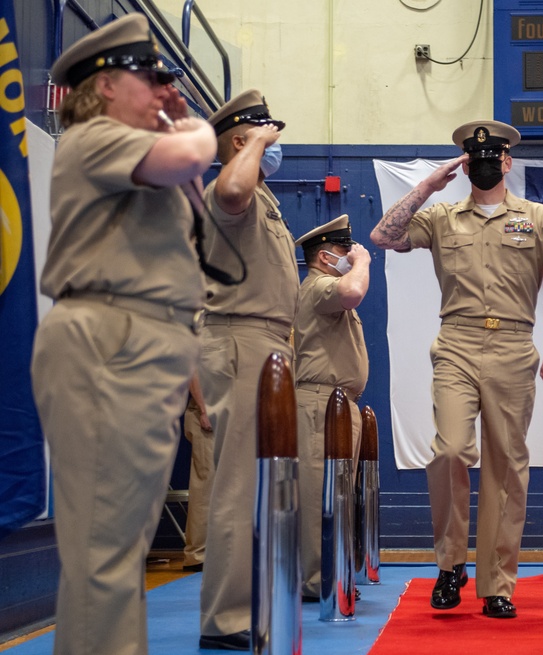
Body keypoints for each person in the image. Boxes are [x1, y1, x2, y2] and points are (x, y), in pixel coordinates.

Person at [30, 14, 216, 655]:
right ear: (104, 86)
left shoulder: (132, 151)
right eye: (151, 75)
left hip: (144, 346)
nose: (165, 87)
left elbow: (191, 190)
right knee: (105, 554)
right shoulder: (96, 136)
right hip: (109, 343)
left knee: (119, 549)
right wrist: (191, 124)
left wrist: (166, 116)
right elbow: (194, 156)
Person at [369, 120, 543, 619]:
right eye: (475, 156)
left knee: (505, 465)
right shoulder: (442, 217)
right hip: (457, 343)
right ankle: (450, 564)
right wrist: (427, 185)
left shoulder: (537, 218)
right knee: (448, 450)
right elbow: (383, 234)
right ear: (465, 163)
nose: (487, 162)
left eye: (495, 155)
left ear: (508, 161)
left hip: (513, 345)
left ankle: (497, 583)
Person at [198, 90, 299, 650]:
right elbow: (232, 185)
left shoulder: (264, 200)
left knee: (257, 487)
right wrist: (257, 140)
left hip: (265, 344)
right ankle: (227, 618)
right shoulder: (232, 190)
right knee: (238, 485)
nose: (277, 144)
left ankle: (249, 604)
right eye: (267, 135)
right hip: (240, 339)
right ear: (242, 140)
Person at [293, 215, 371, 600]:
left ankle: (330, 575)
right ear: (325, 257)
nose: (352, 255)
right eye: (345, 250)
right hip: (319, 403)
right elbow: (354, 293)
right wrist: (364, 263)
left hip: (338, 404)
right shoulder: (321, 285)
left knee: (336, 495)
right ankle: (315, 581)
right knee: (317, 495)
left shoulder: (326, 285)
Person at [182, 374, 215, 572]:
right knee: (205, 486)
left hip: (229, 410)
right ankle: (197, 555)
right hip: (205, 410)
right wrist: (204, 409)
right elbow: (193, 369)